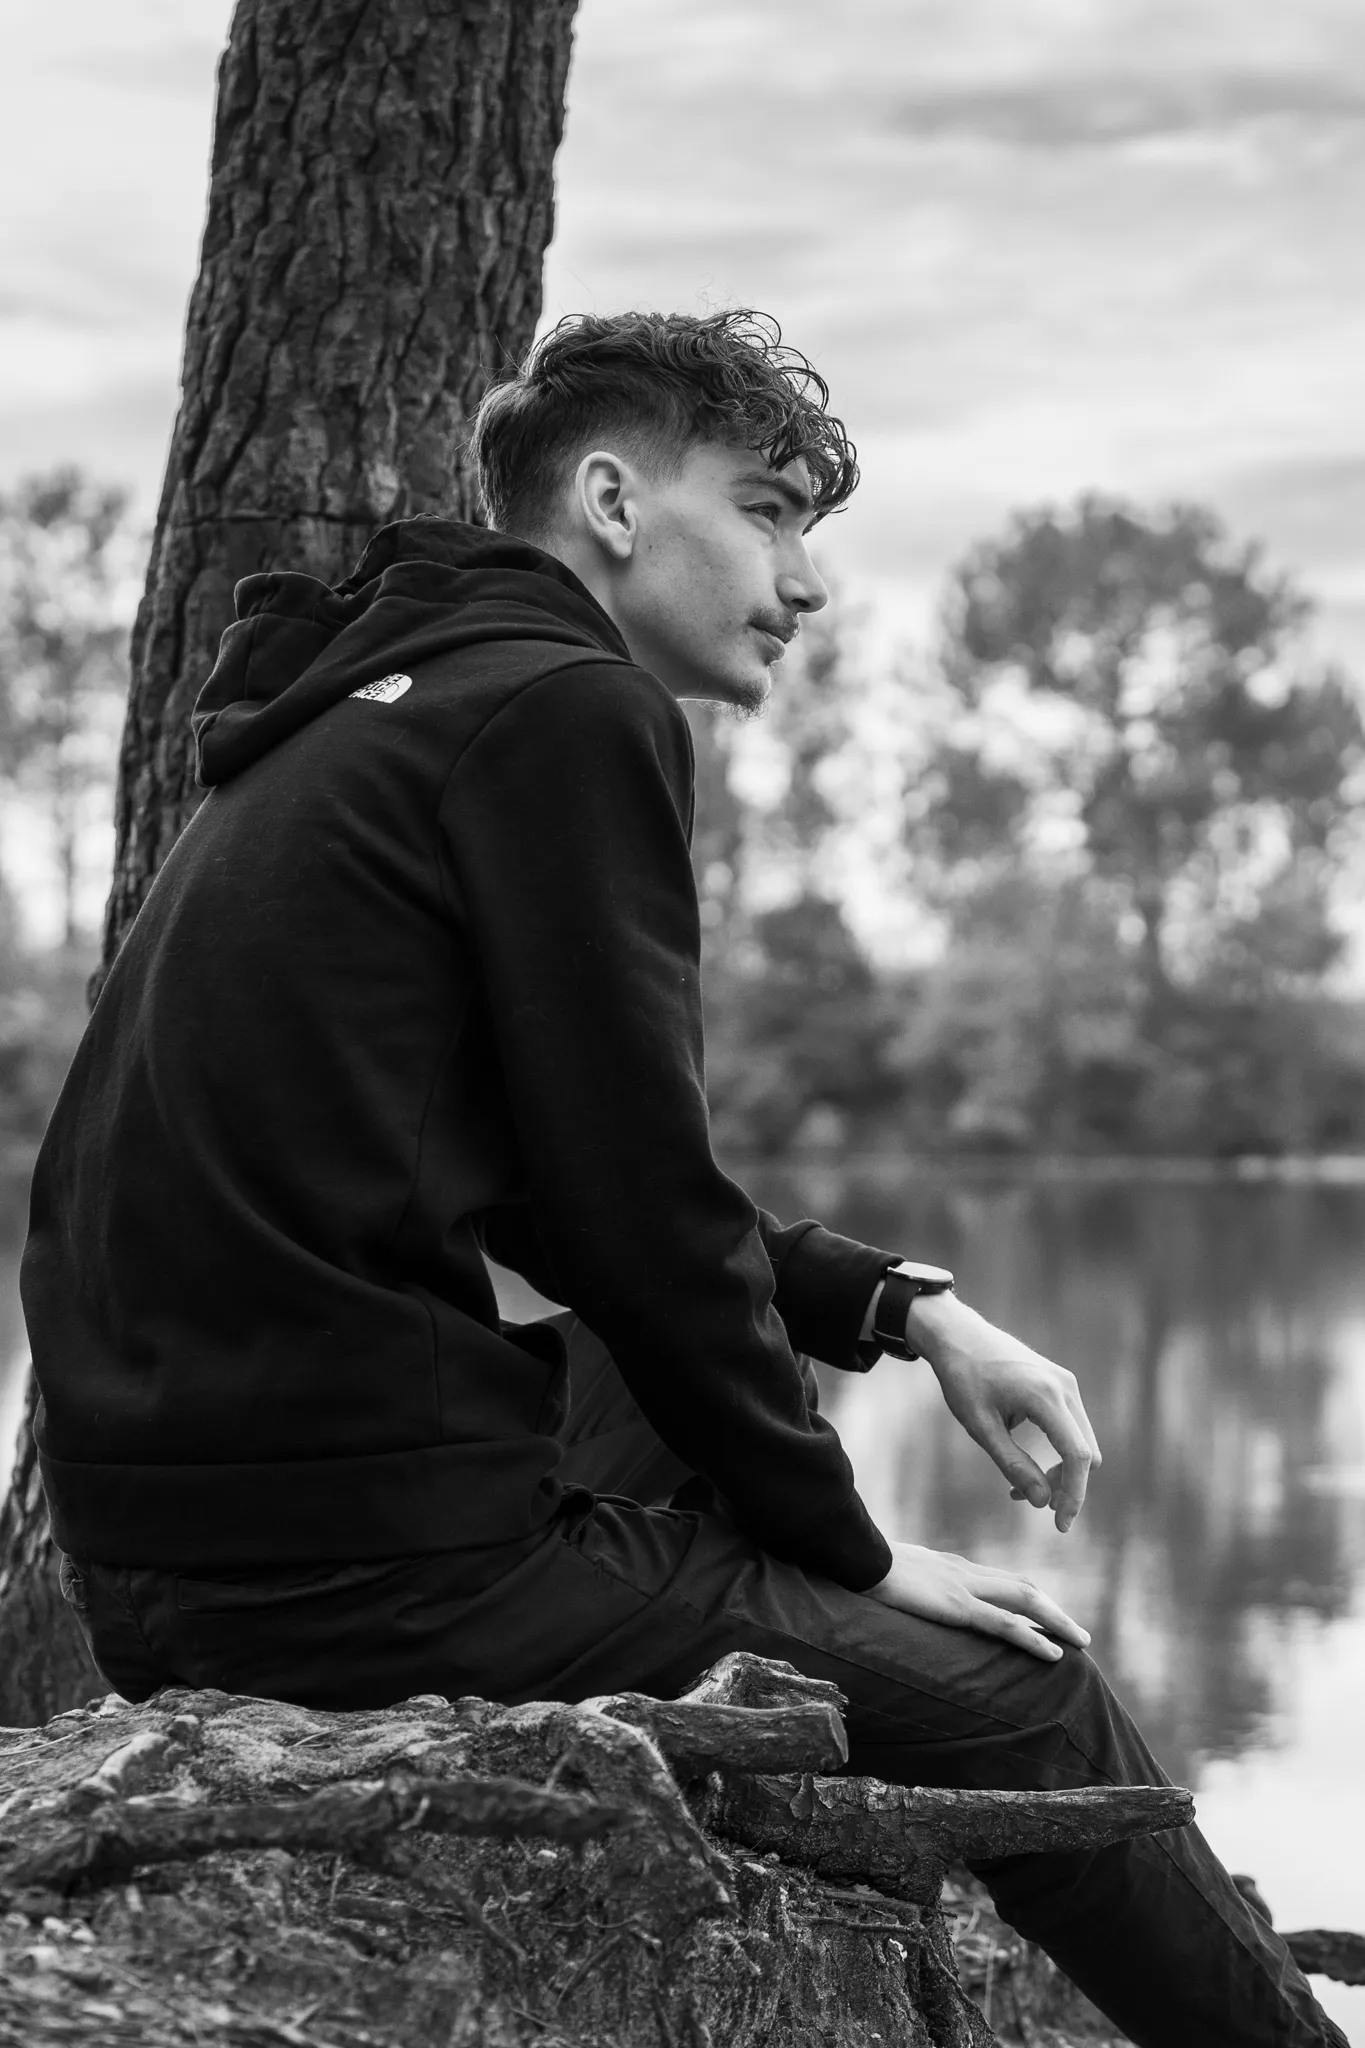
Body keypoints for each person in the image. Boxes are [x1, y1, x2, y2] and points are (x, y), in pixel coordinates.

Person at [22, 309, 1344, 2048]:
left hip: (186, 1535)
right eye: (772, 511)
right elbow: (640, 1206)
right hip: (344, 1570)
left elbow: (574, 1193)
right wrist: (857, 1555)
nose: (805, 581)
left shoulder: (383, 707)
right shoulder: (567, 709)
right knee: (1029, 1695)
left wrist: (907, 1308)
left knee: (739, 1388)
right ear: (614, 502)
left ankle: (749, 1715)